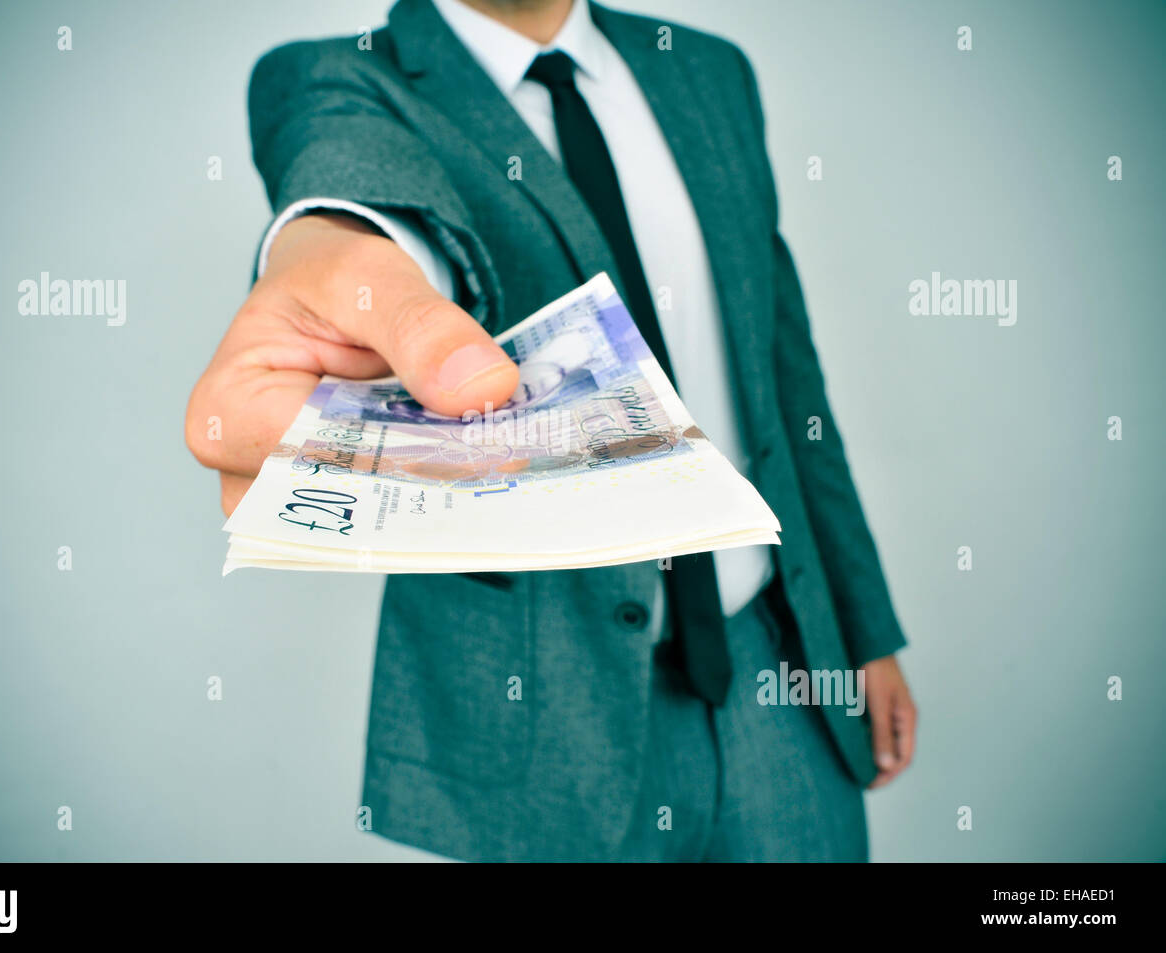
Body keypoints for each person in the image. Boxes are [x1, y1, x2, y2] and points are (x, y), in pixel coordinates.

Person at [186, 0, 916, 862]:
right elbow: (358, 186)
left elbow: (789, 374)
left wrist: (864, 630)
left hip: (776, 652)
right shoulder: (343, 75)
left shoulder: (710, 71)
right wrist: (359, 259)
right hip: (545, 695)